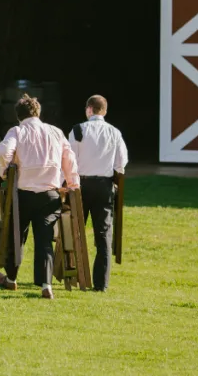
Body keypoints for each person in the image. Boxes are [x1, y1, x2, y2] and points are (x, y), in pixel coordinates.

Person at [0, 94, 79, 299]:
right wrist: (72, 183)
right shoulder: (56, 132)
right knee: (45, 240)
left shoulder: (18, 130)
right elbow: (70, 159)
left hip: (22, 193)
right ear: (38, 112)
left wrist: (2, 170)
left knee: (17, 235)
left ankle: (12, 279)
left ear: (18, 116)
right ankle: (45, 284)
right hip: (50, 194)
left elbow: (5, 151)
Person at [68, 94, 128, 292]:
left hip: (81, 185)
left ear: (89, 109)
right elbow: (121, 163)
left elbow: (69, 161)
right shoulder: (115, 132)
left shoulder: (78, 130)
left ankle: (74, 275)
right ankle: (101, 283)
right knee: (103, 234)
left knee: (75, 232)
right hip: (104, 186)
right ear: (105, 111)